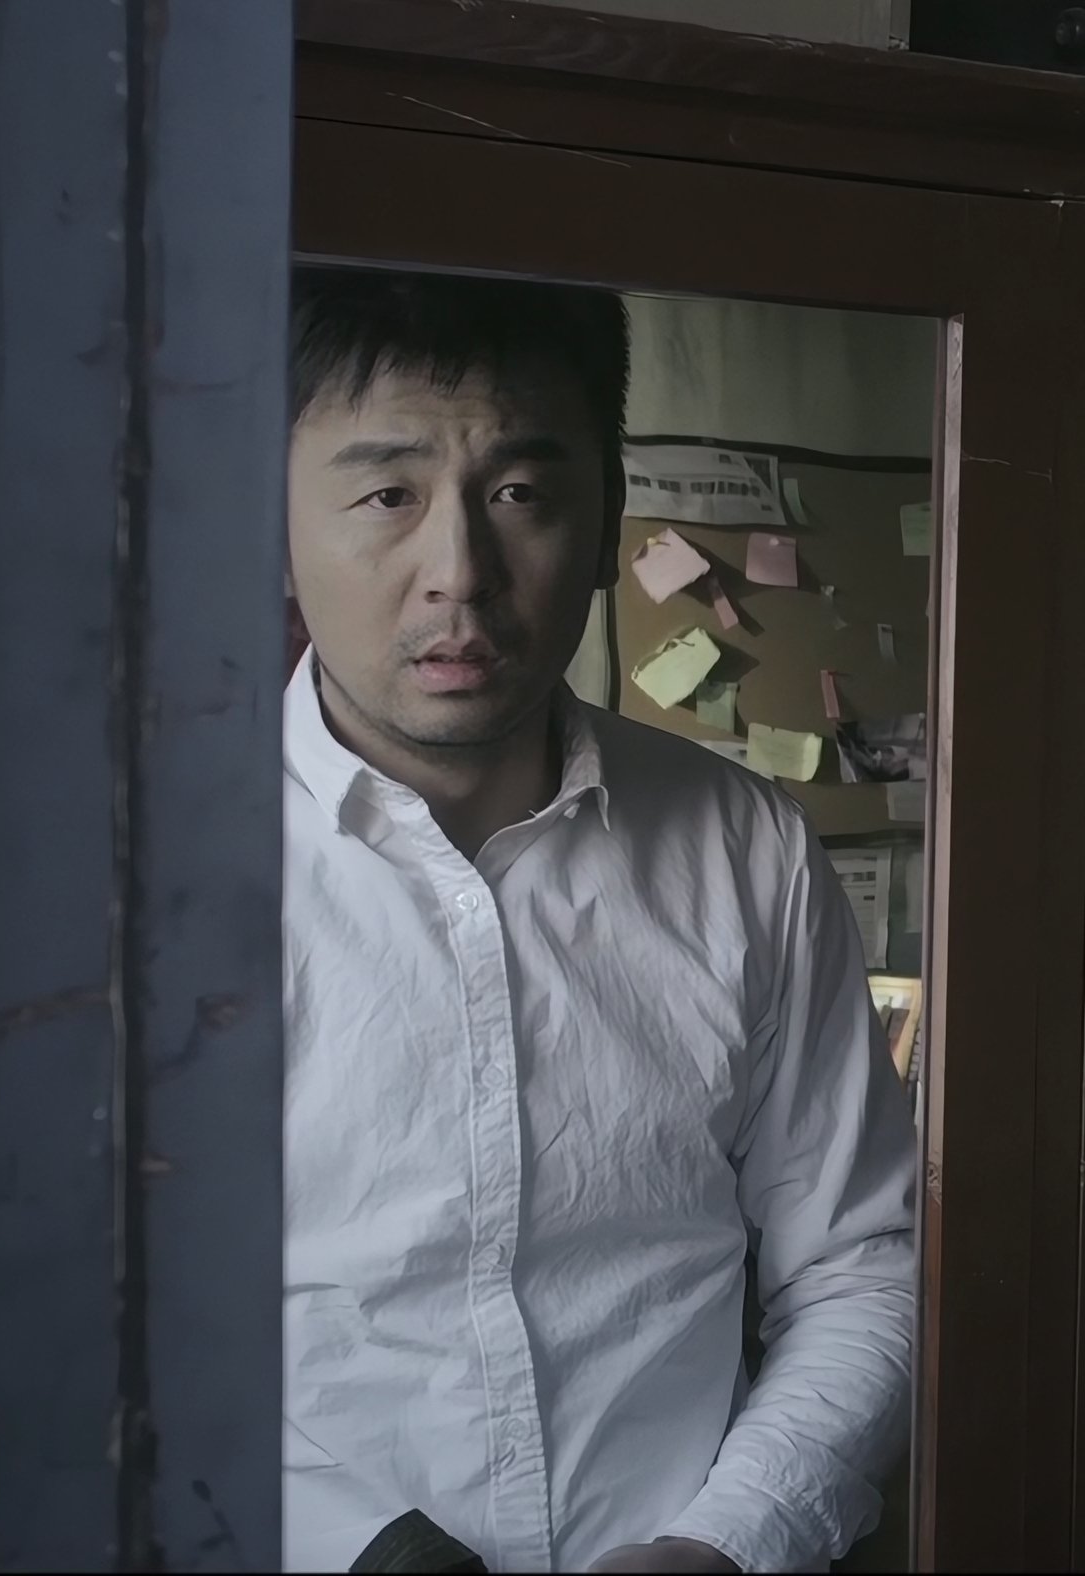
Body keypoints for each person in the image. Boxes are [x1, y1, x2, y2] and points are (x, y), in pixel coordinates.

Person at [281, 270, 917, 1573]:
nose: (458, 576)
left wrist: (727, 1543)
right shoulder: (129, 883)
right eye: (388, 494)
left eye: (520, 492)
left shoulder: (747, 848)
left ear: (607, 512)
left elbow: (859, 1264)